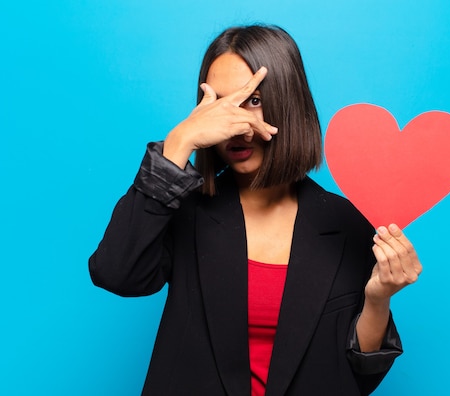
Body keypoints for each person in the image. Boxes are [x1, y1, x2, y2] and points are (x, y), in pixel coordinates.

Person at [89, 24, 422, 396]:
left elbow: (355, 375)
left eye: (254, 100)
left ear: (288, 103)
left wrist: (378, 299)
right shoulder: (183, 207)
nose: (237, 125)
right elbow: (116, 273)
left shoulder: (346, 222)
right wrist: (179, 142)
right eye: (220, 104)